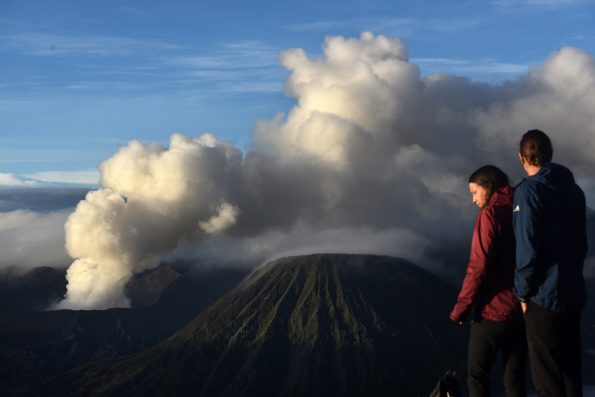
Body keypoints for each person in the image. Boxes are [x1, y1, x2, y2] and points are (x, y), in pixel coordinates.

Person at [513, 129, 587, 397]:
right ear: (550, 155)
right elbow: (582, 244)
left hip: (542, 296)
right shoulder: (575, 191)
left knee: (547, 379)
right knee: (571, 374)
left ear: (522, 157)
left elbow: (527, 249)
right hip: (573, 292)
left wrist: (522, 292)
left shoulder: (527, 193)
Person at [451, 165, 527, 397]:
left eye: (474, 193)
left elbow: (478, 266)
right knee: (515, 377)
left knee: (477, 376)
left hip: (493, 310)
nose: (473, 200)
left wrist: (461, 308)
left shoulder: (490, 214)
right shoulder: (522, 205)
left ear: (487, 186)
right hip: (524, 307)